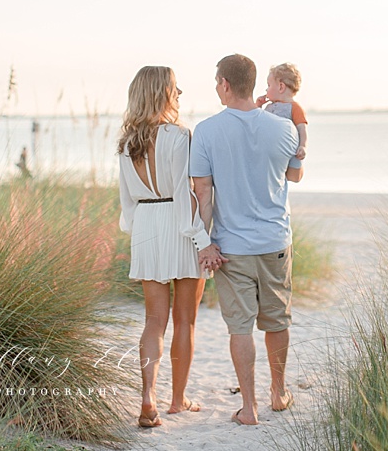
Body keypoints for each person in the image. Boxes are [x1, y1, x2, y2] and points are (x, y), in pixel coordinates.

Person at [190, 54, 304, 426]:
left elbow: (203, 196)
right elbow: (295, 176)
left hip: (231, 247)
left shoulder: (206, 131)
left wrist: (202, 242)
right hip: (274, 241)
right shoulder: (283, 129)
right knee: (276, 320)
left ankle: (250, 407)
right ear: (252, 84)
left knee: (240, 327)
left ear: (224, 84)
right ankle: (279, 392)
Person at [118, 66, 211, 429]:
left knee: (154, 321)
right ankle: (176, 400)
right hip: (178, 224)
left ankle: (147, 397)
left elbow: (126, 200)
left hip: (145, 224)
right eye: (175, 88)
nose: (179, 93)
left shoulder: (126, 143)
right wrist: (202, 239)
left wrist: (138, 230)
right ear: (162, 93)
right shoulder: (179, 136)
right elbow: (185, 193)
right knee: (185, 321)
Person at [255, 62, 308, 160]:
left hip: (284, 152)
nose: (266, 90)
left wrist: (302, 146)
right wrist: (258, 106)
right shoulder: (269, 107)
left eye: (269, 85)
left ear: (281, 87)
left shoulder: (294, 107)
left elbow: (302, 129)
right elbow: (257, 122)